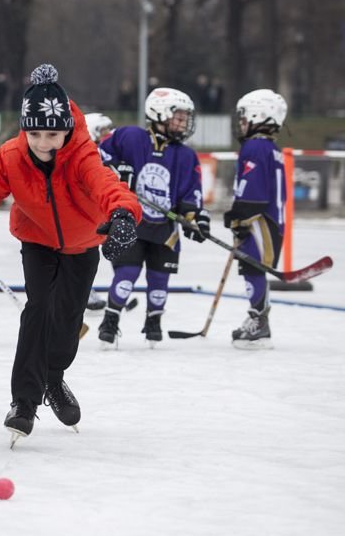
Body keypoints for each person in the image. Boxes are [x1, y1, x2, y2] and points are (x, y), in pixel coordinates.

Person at [0, 64, 141, 445]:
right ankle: (23, 402)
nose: (43, 143)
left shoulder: (82, 154)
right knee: (38, 310)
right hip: (36, 239)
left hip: (83, 243)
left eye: (52, 134)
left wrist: (122, 217)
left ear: (67, 129)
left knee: (68, 320)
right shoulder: (12, 156)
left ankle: (53, 376)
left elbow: (110, 188)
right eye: (34, 133)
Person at [96, 87, 208, 349]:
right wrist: (117, 171)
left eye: (184, 118)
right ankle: (110, 321)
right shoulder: (129, 137)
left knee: (159, 283)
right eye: (178, 117)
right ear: (160, 113)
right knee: (127, 274)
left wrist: (195, 218)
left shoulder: (185, 155)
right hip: (131, 222)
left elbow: (191, 193)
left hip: (164, 229)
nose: (183, 123)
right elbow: (98, 159)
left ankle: (154, 320)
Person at [224, 89, 288, 349]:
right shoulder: (270, 147)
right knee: (253, 267)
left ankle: (259, 322)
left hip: (260, 222)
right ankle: (259, 319)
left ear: (259, 114)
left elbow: (253, 194)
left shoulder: (255, 146)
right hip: (270, 221)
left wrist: (236, 217)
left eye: (244, 116)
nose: (242, 122)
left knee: (252, 267)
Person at [83, 112, 116, 312]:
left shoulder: (105, 153)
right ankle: (83, 291)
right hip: (81, 214)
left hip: (95, 213)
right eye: (103, 131)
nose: (108, 135)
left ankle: (86, 289)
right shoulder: (89, 154)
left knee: (89, 253)